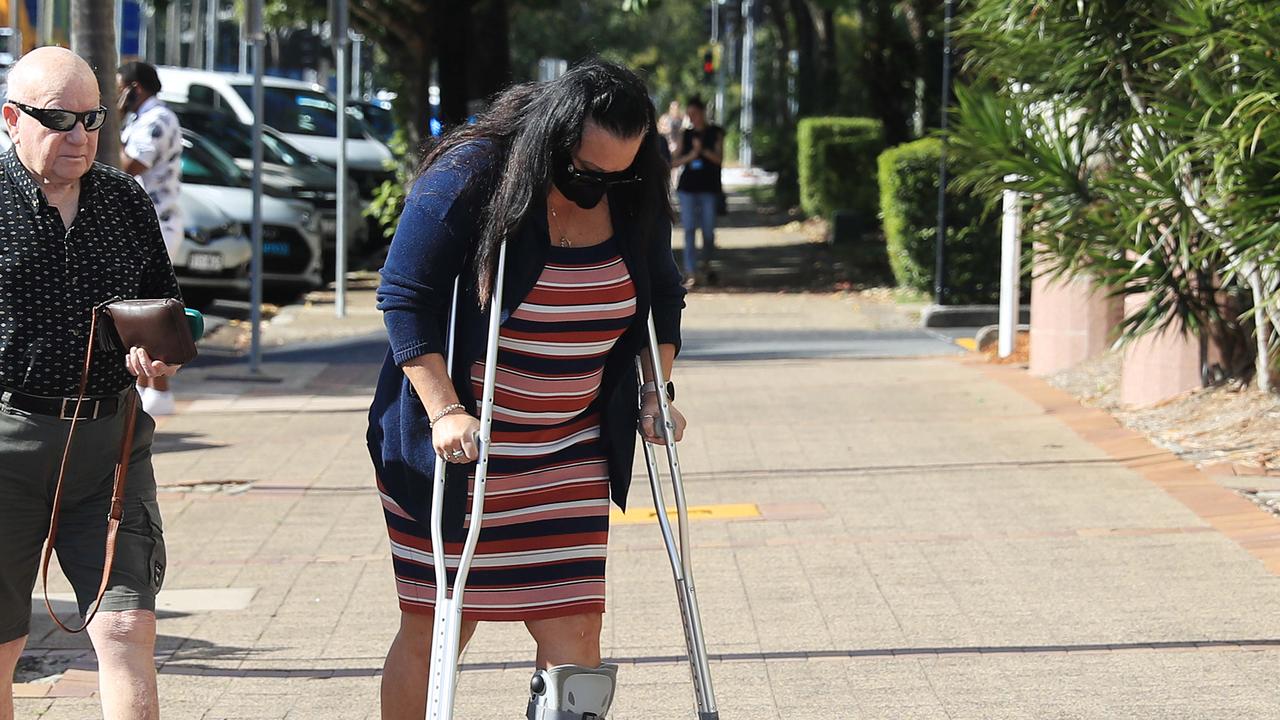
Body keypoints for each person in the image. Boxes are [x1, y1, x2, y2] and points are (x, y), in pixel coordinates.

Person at [367, 58, 687, 720]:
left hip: (568, 448)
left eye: (618, 173)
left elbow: (664, 296)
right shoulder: (473, 175)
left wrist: (658, 391)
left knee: (576, 636)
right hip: (459, 450)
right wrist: (445, 410)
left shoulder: (632, 189)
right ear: (553, 140)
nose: (601, 187)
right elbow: (405, 297)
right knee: (440, 626)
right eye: (584, 174)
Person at [0, 47, 182, 720]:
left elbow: (165, 307)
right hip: (8, 447)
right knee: (3, 644)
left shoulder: (123, 199)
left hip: (111, 444)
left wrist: (157, 356)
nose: (79, 136)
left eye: (92, 119)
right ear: (12, 118)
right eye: (59, 120)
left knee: (126, 627)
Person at [118, 61, 183, 417]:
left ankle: (160, 388)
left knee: (151, 309)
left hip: (158, 225)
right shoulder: (145, 118)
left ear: (134, 87)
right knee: (143, 308)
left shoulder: (156, 120)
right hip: (151, 225)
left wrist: (111, 119)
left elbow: (127, 166)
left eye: (119, 87)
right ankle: (149, 387)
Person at [671, 97, 724, 286]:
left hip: (709, 188)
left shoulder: (715, 132)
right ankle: (690, 270)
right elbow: (673, 162)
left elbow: (719, 159)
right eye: (689, 114)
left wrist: (703, 151)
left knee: (708, 230)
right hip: (688, 188)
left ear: (702, 113)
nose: (692, 117)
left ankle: (706, 264)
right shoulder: (685, 135)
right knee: (689, 229)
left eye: (695, 113)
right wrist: (692, 155)